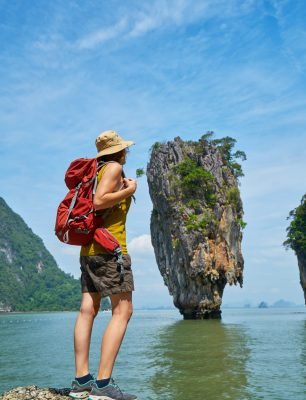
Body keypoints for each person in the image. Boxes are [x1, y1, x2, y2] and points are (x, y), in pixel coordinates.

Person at [69, 130, 138, 400]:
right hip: (110, 250)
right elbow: (98, 203)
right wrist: (130, 190)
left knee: (88, 310)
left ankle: (81, 381)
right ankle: (102, 384)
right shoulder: (114, 167)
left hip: (89, 250)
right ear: (120, 151)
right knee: (123, 311)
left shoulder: (93, 172)